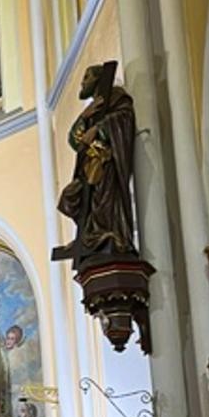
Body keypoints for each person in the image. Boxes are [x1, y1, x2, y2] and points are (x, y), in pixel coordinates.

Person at [53, 62, 137, 268]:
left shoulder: (116, 97)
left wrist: (99, 128)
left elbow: (125, 118)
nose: (82, 83)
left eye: (86, 78)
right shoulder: (92, 110)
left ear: (98, 79)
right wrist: (84, 116)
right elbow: (75, 141)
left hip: (107, 164)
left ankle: (106, 235)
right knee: (70, 198)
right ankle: (90, 235)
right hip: (88, 166)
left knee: (104, 202)